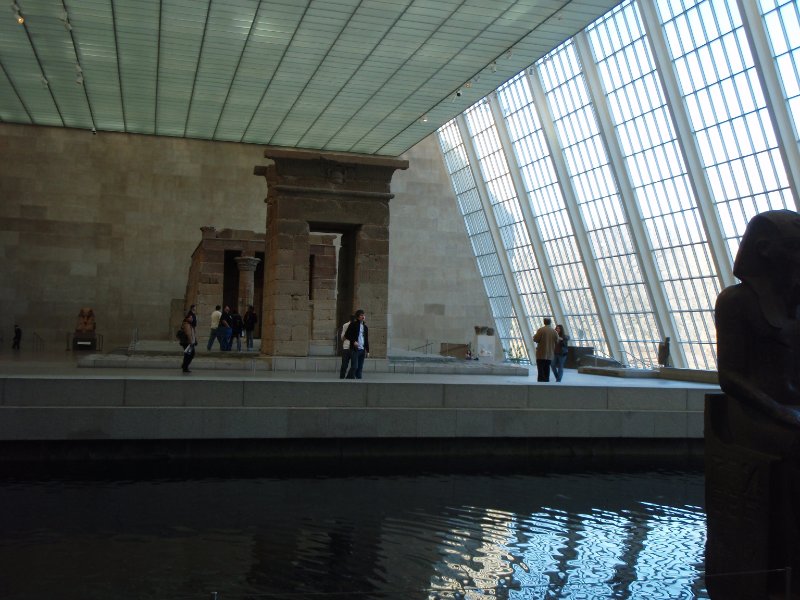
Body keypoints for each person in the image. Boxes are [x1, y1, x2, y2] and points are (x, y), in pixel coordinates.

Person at [343, 309, 369, 379]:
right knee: (355, 366)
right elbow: (347, 335)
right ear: (358, 317)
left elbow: (366, 339)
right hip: (355, 349)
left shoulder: (365, 327)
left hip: (362, 349)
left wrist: (367, 350)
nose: (363, 317)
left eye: (363, 315)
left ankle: (358, 379)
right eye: (361, 315)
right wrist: (354, 341)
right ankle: (349, 378)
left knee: (360, 367)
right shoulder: (353, 324)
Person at [532, 317, 559, 382]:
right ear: (550, 322)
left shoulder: (541, 330)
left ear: (544, 322)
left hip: (541, 353)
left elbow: (536, 339)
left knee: (540, 369)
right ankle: (546, 381)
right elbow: (557, 341)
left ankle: (541, 381)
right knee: (547, 368)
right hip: (550, 354)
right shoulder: (554, 331)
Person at [339, 315, 355, 379]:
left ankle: (350, 376)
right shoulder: (346, 325)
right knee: (344, 364)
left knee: (354, 365)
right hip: (346, 347)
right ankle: (342, 377)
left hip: (354, 348)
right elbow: (342, 338)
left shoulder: (357, 325)